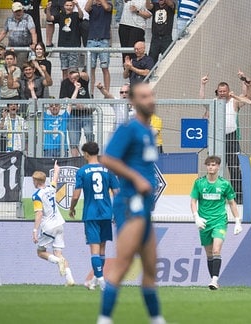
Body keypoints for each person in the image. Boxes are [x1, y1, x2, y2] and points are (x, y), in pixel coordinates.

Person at [98, 83, 166, 324]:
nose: (150, 99)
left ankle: (157, 319)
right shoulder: (129, 129)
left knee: (150, 268)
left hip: (145, 206)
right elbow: (106, 158)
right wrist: (137, 178)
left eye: (152, 95)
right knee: (123, 264)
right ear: (134, 102)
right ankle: (104, 319)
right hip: (130, 203)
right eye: (144, 96)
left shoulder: (149, 132)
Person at [69, 142, 120, 291]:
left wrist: (72, 209)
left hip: (91, 214)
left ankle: (101, 280)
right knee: (102, 248)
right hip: (106, 213)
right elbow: (117, 193)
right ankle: (96, 280)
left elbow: (76, 195)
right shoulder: (108, 170)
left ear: (85, 154)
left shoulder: (82, 171)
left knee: (94, 249)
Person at [190, 155, 242, 290]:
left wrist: (237, 221)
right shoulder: (199, 183)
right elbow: (193, 201)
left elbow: (232, 203)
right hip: (204, 222)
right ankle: (213, 279)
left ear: (218, 167)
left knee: (216, 249)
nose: (211, 167)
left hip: (219, 221)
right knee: (209, 254)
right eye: (209, 165)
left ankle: (214, 280)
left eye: (213, 165)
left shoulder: (224, 184)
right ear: (206, 167)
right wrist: (196, 217)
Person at [199, 74, 249, 204]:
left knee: (234, 168)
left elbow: (246, 96)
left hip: (231, 138)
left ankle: (238, 199)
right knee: (214, 168)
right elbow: (202, 100)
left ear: (228, 91)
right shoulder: (214, 102)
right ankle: (214, 196)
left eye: (224, 91)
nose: (222, 93)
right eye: (220, 91)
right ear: (217, 92)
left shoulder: (234, 101)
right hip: (216, 138)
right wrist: (202, 85)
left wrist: (243, 80)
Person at [31, 161, 76, 286]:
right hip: (59, 225)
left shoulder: (37, 196)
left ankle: (57, 261)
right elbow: (55, 178)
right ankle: (70, 279)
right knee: (59, 253)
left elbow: (39, 214)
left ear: (36, 181)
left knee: (40, 252)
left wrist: (35, 231)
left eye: (33, 181)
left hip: (48, 227)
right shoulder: (51, 189)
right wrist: (56, 169)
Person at [46, 0, 84, 79]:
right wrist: (48, 9)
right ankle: (65, 86)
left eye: (70, 5)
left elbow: (81, 16)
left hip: (74, 46)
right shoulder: (60, 15)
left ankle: (73, 87)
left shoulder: (75, 15)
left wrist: (77, 6)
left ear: (73, 6)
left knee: (73, 70)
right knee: (64, 69)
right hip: (62, 46)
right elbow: (50, 18)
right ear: (64, 6)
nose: (69, 7)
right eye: (67, 5)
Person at [60, 69, 93, 157]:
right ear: (68, 75)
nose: (73, 77)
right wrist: (75, 103)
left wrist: (77, 75)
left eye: (74, 75)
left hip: (86, 114)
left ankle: (90, 156)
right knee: (73, 140)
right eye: (70, 74)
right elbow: (63, 98)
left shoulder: (82, 80)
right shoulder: (65, 83)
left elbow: (86, 76)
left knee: (89, 133)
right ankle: (75, 161)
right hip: (73, 115)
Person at [85, 0, 113, 94]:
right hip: (91, 39)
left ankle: (107, 93)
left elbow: (107, 7)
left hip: (104, 39)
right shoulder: (92, 6)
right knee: (91, 68)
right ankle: (90, 93)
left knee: (105, 67)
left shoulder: (109, 4)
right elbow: (86, 8)